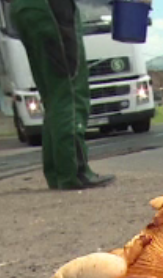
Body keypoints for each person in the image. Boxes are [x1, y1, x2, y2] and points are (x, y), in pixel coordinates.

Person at [10, 0, 115, 190]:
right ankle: (75, 173)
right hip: (52, 10)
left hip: (23, 9)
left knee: (54, 95)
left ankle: (57, 173)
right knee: (70, 90)